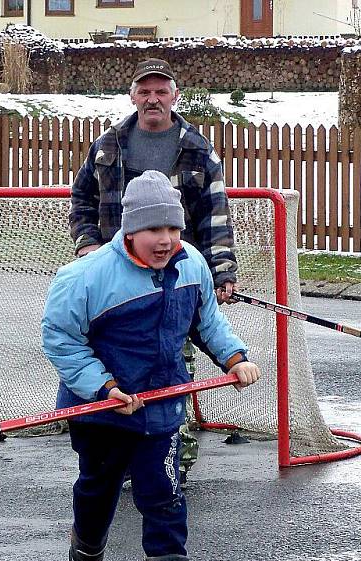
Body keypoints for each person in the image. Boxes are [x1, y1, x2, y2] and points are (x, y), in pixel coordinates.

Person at [42, 171, 260, 561]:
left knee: (164, 496)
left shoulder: (191, 263)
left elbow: (206, 322)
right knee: (98, 490)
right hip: (100, 412)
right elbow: (60, 340)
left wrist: (235, 357)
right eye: (153, 229)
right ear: (130, 228)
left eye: (173, 228)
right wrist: (104, 388)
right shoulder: (85, 277)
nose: (165, 239)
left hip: (161, 407)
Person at [69, 57, 239, 481]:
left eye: (161, 91)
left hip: (176, 279)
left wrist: (220, 271)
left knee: (170, 367)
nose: (152, 99)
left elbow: (215, 215)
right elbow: (82, 199)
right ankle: (118, 458)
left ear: (174, 96)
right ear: (132, 97)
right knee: (116, 367)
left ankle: (171, 462)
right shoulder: (108, 145)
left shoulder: (198, 149)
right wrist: (88, 245)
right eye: (144, 92)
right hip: (114, 280)